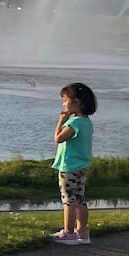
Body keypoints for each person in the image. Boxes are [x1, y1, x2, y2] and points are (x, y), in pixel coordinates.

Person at [50, 82, 98, 246]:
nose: (64, 104)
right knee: (79, 198)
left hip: (69, 167)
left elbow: (58, 138)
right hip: (82, 166)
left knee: (68, 200)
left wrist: (61, 121)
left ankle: (68, 233)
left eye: (65, 100)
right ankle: (82, 232)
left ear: (77, 102)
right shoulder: (87, 122)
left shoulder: (74, 123)